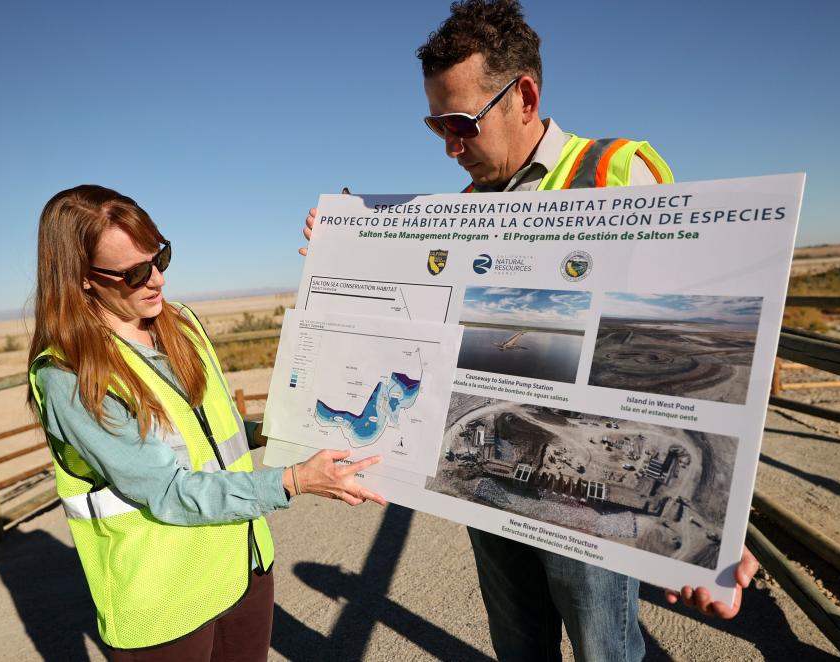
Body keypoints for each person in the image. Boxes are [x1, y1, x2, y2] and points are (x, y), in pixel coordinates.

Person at [301, 2, 759, 660]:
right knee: (518, 645)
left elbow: (683, 349)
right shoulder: (463, 209)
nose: (450, 146)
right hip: (492, 474)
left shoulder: (615, 172)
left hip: (590, 493)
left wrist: (721, 524)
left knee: (604, 646)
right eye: (436, 127)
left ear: (524, 96)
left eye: (460, 124)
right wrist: (344, 257)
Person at [27, 184, 385, 661]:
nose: (156, 280)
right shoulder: (72, 376)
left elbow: (215, 430)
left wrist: (283, 429)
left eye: (161, 258)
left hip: (244, 567)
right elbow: (168, 490)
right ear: (82, 278)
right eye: (134, 272)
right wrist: (295, 480)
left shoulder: (183, 325)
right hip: (166, 603)